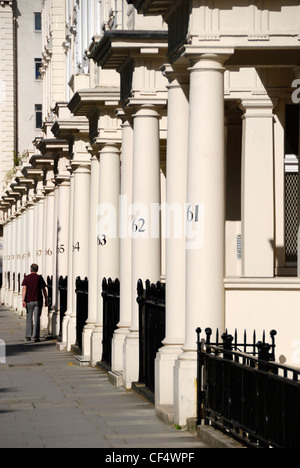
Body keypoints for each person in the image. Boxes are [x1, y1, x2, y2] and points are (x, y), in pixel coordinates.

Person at [22, 264, 48, 343]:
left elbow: (24, 289)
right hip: (38, 300)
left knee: (29, 318)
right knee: (37, 319)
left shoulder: (26, 278)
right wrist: (46, 299)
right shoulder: (39, 278)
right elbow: (44, 289)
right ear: (37, 270)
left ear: (30, 269)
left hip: (29, 300)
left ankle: (28, 335)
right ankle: (36, 336)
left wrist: (23, 300)